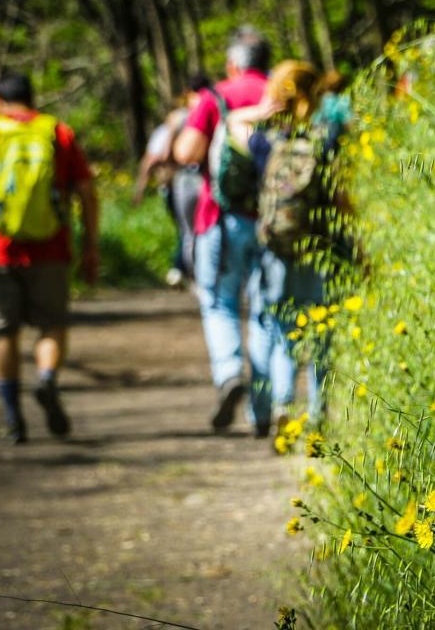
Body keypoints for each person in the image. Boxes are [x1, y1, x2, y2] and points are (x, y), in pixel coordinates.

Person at [0, 72, 99, 444]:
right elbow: (87, 193)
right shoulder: (58, 133)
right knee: (51, 325)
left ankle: (13, 418)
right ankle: (46, 380)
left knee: (3, 331)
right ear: (33, 98)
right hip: (52, 246)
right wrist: (90, 245)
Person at [225, 61, 336, 436]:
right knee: (320, 332)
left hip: (275, 250)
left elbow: (233, 123)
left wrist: (260, 111)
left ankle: (284, 406)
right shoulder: (324, 139)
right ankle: (318, 415)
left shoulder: (265, 141)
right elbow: (342, 198)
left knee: (283, 329)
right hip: (318, 249)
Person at [172, 27, 270, 432]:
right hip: (274, 219)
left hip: (220, 218)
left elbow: (186, 153)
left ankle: (230, 374)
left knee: (220, 302)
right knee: (267, 310)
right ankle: (264, 410)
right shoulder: (282, 93)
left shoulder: (217, 97)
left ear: (232, 64)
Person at [133, 74, 207, 285]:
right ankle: (191, 273)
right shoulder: (212, 113)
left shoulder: (176, 119)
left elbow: (156, 157)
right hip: (203, 181)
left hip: (180, 183)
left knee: (187, 232)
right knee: (200, 230)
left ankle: (189, 274)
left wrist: (140, 189)